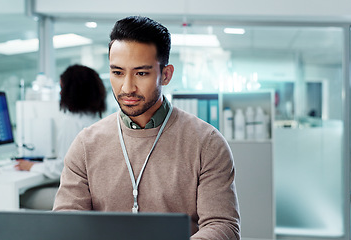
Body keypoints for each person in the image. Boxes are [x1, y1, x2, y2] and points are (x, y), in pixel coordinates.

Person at [53, 16, 240, 239]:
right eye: (117, 72)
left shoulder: (207, 142)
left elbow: (222, 225)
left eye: (141, 73)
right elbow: (66, 222)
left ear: (166, 74)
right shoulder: (86, 144)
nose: (127, 87)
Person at [16, 64, 106, 209]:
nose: (59, 94)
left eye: (61, 88)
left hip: (81, 198)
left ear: (71, 91)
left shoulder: (72, 122)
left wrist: (31, 166)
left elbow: (64, 169)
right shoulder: (99, 120)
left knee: (22, 196)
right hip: (97, 195)